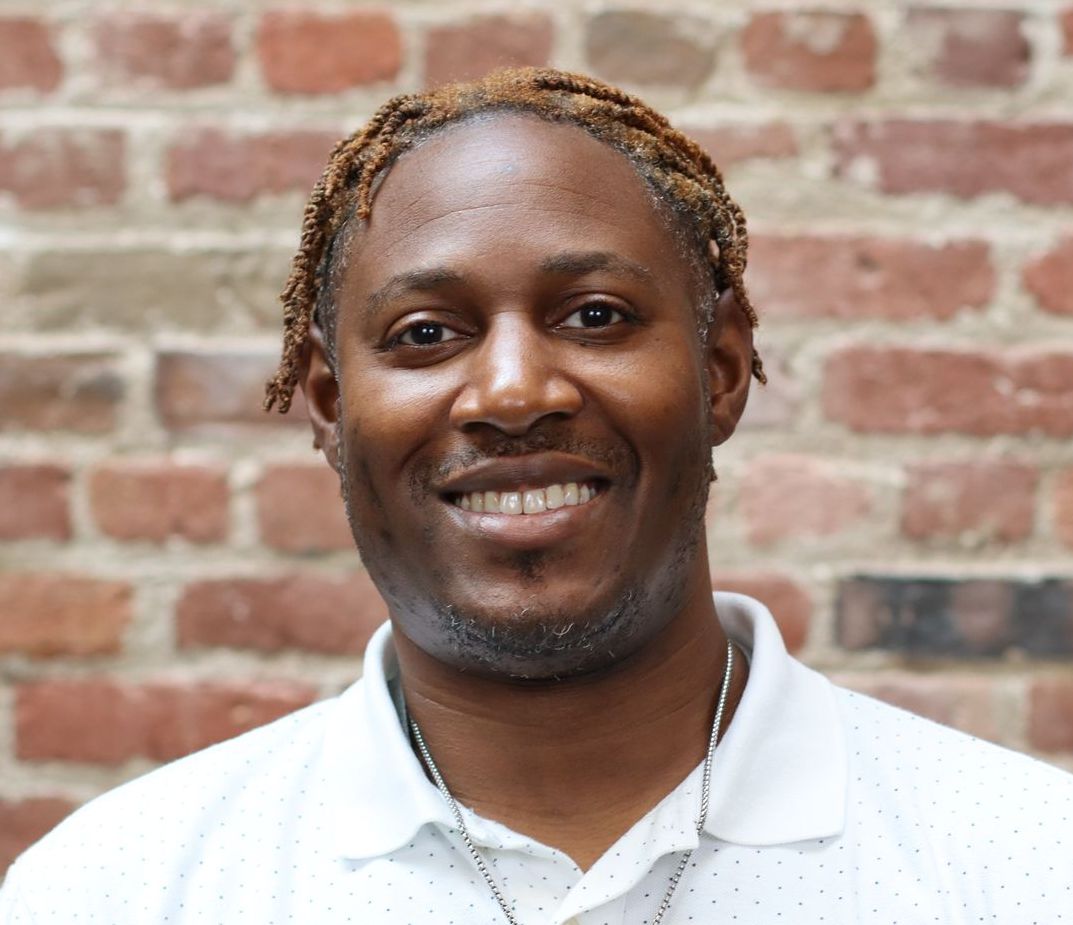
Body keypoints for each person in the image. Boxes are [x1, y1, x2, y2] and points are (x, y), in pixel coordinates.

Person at [2, 67, 1070, 924]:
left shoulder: (1024, 866)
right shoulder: (119, 889)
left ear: (721, 372)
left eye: (595, 316)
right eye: (426, 335)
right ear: (328, 403)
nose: (513, 391)